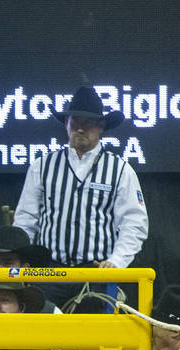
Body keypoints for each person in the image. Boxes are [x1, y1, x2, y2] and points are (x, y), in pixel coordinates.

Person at [13, 86, 148, 311]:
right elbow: (26, 219)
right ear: (66, 124)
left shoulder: (120, 170)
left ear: (101, 126)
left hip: (95, 274)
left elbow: (135, 223)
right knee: (46, 340)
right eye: (74, 121)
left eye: (88, 122)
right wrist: (21, 260)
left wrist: (116, 262)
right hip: (49, 272)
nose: (80, 128)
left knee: (95, 341)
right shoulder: (42, 166)